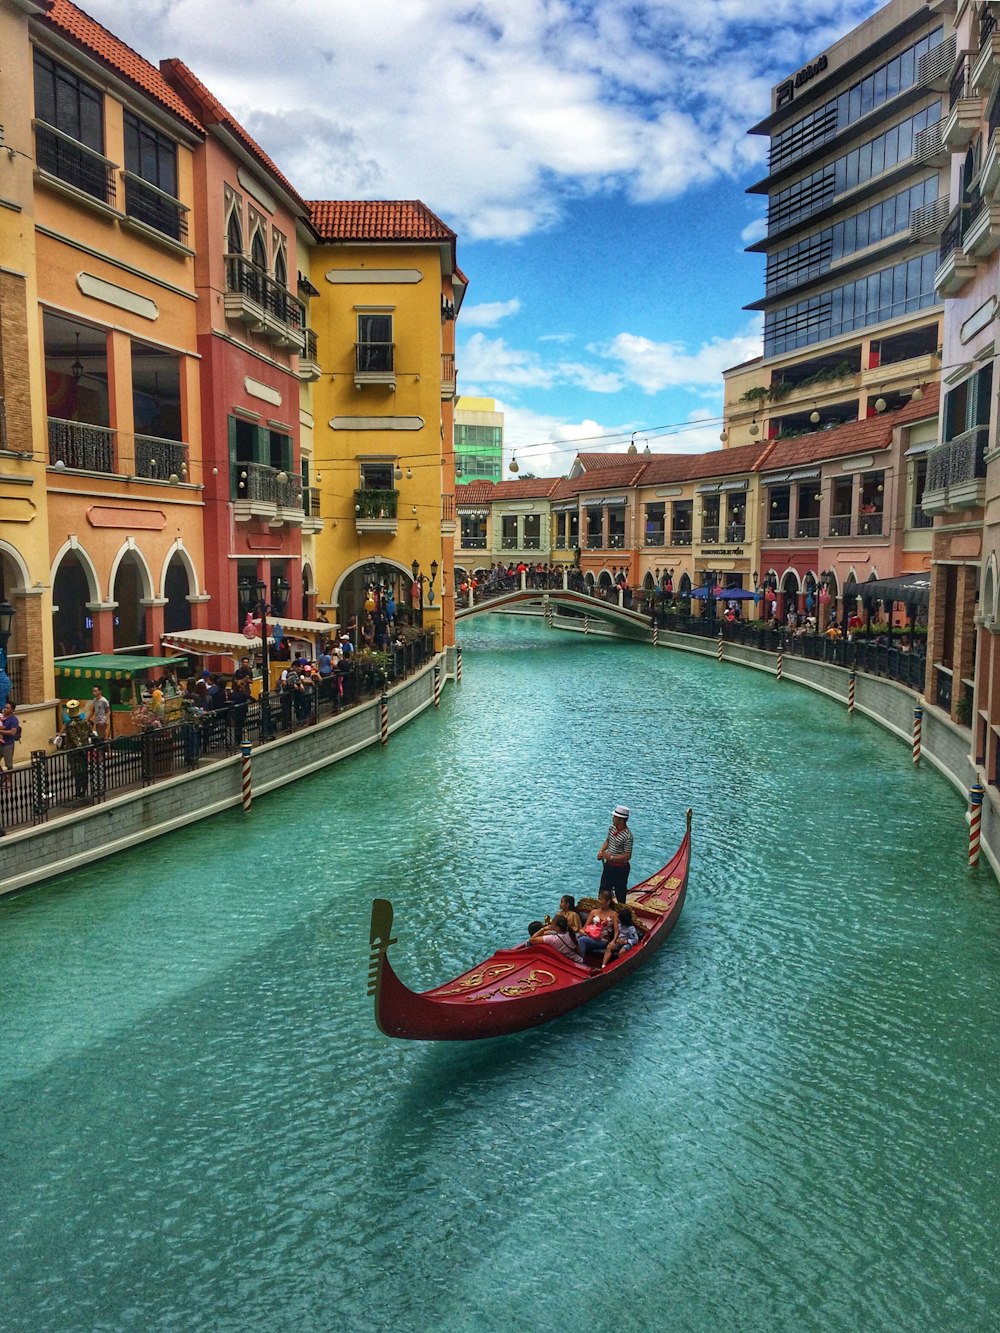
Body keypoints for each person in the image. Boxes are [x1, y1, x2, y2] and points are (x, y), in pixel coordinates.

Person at [597, 804, 633, 902]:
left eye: (615, 817)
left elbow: (627, 856)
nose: (613, 818)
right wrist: (601, 851)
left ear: (621, 819)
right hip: (609, 866)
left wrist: (611, 857)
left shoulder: (628, 836)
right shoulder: (612, 828)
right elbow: (608, 841)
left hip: (621, 870)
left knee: (620, 894)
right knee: (603, 891)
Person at [577, 888, 619, 963]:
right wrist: (582, 931)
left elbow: (616, 931)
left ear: (608, 901)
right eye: (599, 899)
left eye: (601, 900)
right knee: (574, 936)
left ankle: (580, 962)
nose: (598, 901)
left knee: (582, 940)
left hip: (602, 940)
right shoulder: (593, 912)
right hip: (590, 936)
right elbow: (585, 927)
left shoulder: (613, 914)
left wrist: (613, 941)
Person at [62, 699, 93, 798]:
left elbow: (75, 739)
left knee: (77, 773)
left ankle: (78, 793)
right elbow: (90, 734)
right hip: (85, 749)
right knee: (84, 771)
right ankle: (83, 791)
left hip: (75, 752)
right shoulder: (85, 722)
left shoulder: (71, 725)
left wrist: (79, 748)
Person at [0, 700, 19, 778]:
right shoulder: (1, 717)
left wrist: (0, 731)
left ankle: (9, 781)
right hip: (0, 744)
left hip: (7, 745)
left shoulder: (13, 720)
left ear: (12, 710)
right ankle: (4, 777)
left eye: (7, 708)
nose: (5, 709)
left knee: (9, 765)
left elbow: (12, 732)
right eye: (4, 707)